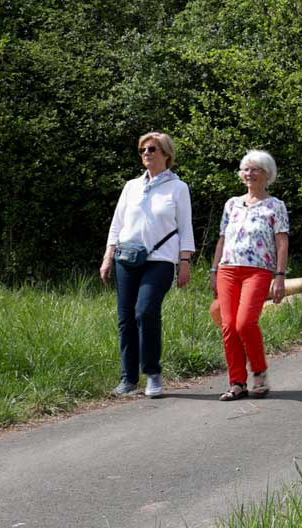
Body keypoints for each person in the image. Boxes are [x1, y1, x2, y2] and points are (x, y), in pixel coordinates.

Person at [101, 131, 195, 398]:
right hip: (126, 259)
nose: (146, 154)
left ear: (166, 154)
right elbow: (117, 224)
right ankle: (128, 378)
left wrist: (184, 260)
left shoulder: (178, 188)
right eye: (143, 150)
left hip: (160, 261)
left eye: (152, 149)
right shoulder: (131, 186)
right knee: (125, 319)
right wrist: (108, 256)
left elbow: (185, 226)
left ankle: (152, 373)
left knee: (145, 312)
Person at [209, 150, 289, 401]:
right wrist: (214, 269)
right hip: (228, 269)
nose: (249, 173)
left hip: (259, 270)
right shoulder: (231, 203)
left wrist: (280, 276)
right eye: (246, 169)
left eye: (255, 169)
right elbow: (222, 239)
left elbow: (282, 242)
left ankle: (259, 373)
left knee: (245, 323)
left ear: (267, 175)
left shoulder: (276, 206)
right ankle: (237, 382)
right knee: (229, 325)